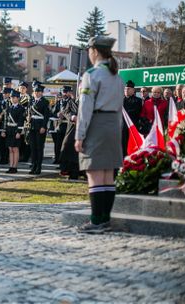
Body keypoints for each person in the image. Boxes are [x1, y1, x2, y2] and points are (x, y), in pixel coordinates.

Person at [75, 36, 124, 234]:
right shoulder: (117, 77)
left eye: (89, 49)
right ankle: (105, 219)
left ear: (94, 51)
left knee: (94, 174)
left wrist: (79, 135)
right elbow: (120, 109)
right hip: (113, 125)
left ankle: (96, 221)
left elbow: (85, 108)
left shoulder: (91, 75)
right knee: (107, 176)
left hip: (96, 124)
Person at [27, 83, 50, 175]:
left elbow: (46, 116)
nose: (36, 93)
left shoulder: (45, 102)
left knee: (39, 147)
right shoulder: (31, 101)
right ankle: (33, 166)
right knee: (32, 147)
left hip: (40, 126)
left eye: (38, 92)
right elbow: (28, 112)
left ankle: (38, 167)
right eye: (35, 91)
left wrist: (44, 126)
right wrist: (27, 117)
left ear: (41, 93)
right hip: (32, 126)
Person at [2, 90, 25, 173]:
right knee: (10, 149)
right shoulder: (8, 108)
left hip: (15, 130)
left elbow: (21, 121)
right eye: (11, 97)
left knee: (15, 149)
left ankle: (15, 167)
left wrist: (19, 132)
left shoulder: (21, 108)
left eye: (14, 97)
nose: (12, 99)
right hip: (9, 130)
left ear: (18, 98)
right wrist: (4, 130)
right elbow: (5, 120)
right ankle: (11, 166)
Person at [60, 92, 80, 180]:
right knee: (67, 147)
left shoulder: (90, 100)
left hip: (85, 128)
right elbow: (65, 111)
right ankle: (69, 171)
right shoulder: (71, 101)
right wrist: (72, 117)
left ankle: (79, 173)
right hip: (72, 128)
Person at [121, 80, 143, 157]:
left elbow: (137, 112)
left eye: (128, 89)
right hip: (122, 129)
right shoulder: (120, 100)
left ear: (133, 90)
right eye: (125, 89)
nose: (126, 90)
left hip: (132, 128)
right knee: (122, 148)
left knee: (132, 149)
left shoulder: (138, 101)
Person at [18, 81, 32, 162]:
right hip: (18, 121)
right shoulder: (16, 96)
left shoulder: (29, 97)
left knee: (26, 139)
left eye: (23, 88)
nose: (22, 89)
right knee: (19, 139)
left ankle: (26, 157)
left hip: (26, 121)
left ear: (26, 89)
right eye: (21, 88)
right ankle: (20, 155)